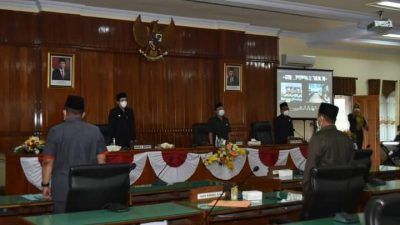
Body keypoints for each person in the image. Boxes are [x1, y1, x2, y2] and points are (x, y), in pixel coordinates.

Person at [41, 95, 107, 213]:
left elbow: (47, 162)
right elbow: (102, 159)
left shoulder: (55, 131)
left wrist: (45, 185)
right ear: (83, 114)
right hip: (89, 187)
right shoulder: (95, 131)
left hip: (62, 188)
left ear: (64, 112)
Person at [303, 103, 355, 196]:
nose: (317, 120)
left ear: (321, 118)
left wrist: (306, 194)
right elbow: (351, 167)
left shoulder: (317, 138)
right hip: (343, 193)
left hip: (322, 194)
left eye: (318, 117)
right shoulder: (346, 138)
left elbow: (310, 169)